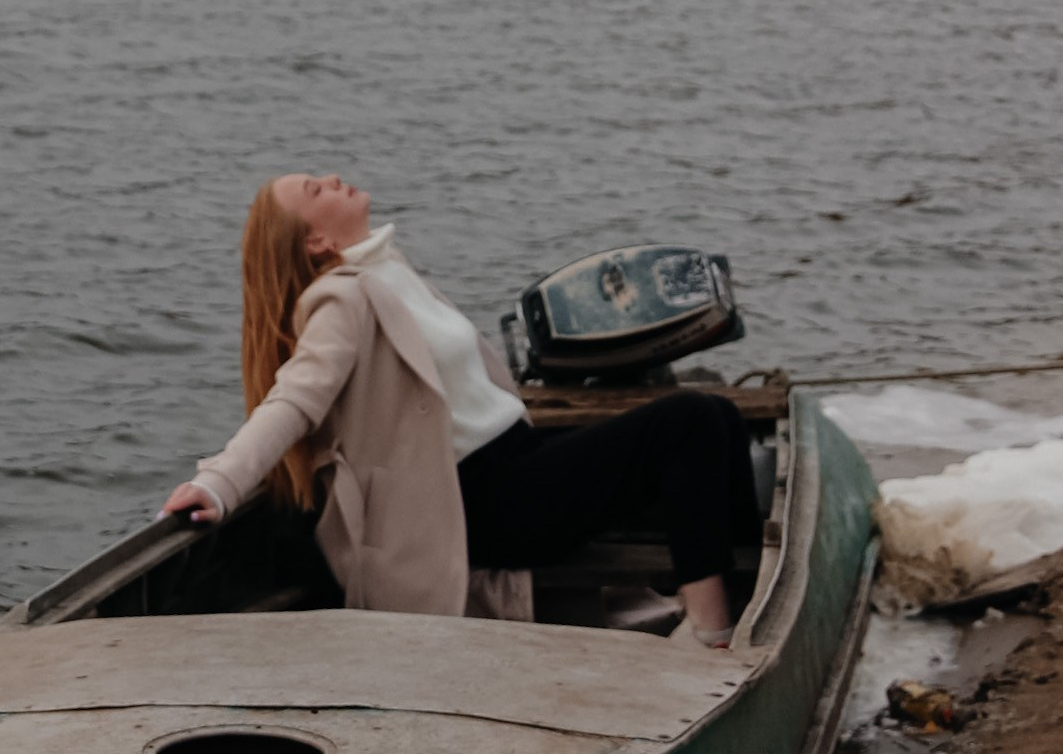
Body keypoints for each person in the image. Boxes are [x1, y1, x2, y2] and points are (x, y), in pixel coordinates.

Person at [161, 171, 751, 647]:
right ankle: (710, 633)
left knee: (721, 418)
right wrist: (216, 485)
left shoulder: (387, 271)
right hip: (486, 502)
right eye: (315, 189)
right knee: (689, 422)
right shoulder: (340, 301)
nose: (333, 177)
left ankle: (748, 590)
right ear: (315, 241)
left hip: (520, 462)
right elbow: (292, 400)